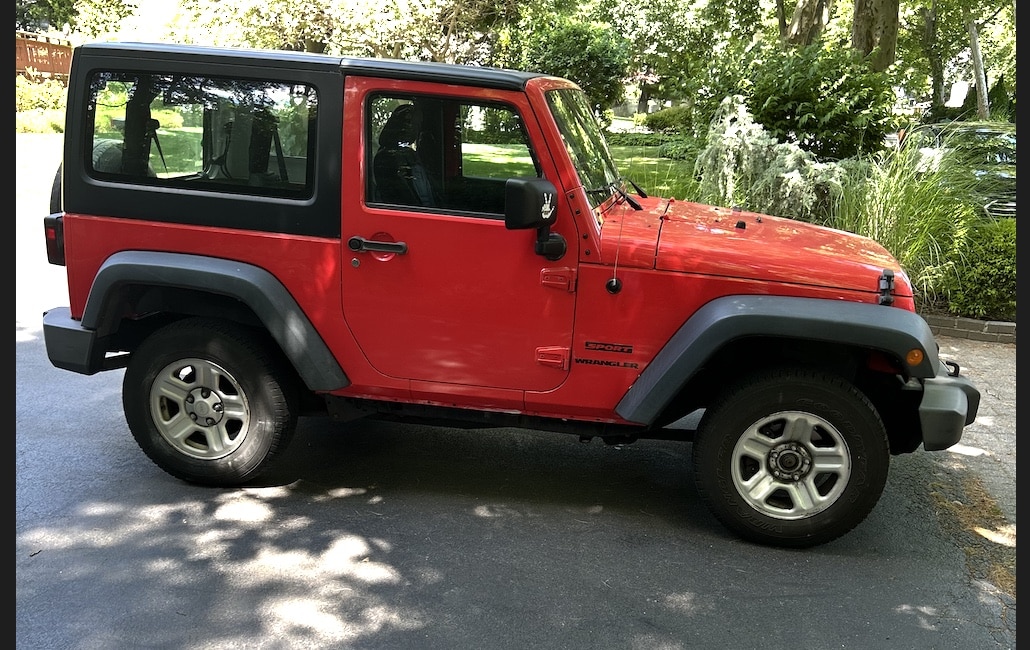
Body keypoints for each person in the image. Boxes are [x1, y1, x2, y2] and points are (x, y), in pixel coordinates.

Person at [373, 104, 436, 206]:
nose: (417, 130)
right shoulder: (386, 159)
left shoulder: (409, 154)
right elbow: (406, 202)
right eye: (416, 125)